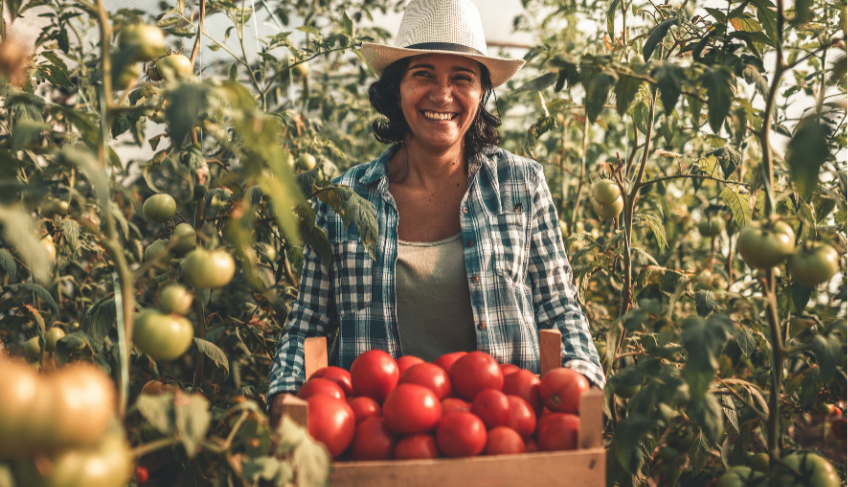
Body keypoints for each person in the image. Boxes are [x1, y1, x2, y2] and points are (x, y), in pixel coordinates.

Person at [268, 0, 603, 420]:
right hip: (378, 439)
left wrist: (583, 387)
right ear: (396, 88)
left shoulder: (520, 186)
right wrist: (285, 399)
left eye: (462, 77)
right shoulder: (344, 200)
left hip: (505, 429)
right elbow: (306, 327)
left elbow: (560, 310)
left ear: (481, 93)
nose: (442, 95)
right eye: (422, 74)